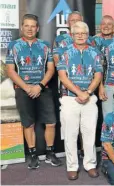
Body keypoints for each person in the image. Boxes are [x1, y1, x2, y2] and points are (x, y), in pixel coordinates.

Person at [6, 14, 61, 169]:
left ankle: (50, 153)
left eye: (33, 26)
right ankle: (33, 155)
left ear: (37, 28)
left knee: (51, 122)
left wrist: (40, 86)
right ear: (22, 27)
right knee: (28, 124)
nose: (30, 29)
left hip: (42, 88)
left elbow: (51, 68)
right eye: (27, 26)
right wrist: (27, 87)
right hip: (23, 89)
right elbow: (10, 71)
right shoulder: (13, 45)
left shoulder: (44, 45)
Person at [57, 21, 103, 180]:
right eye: (77, 34)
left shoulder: (95, 53)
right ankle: (72, 166)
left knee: (90, 133)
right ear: (72, 35)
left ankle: (90, 164)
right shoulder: (65, 52)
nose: (81, 36)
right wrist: (78, 92)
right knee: (71, 134)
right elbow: (62, 76)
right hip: (70, 98)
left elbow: (98, 75)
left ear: (87, 35)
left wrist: (88, 92)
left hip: (90, 99)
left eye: (84, 33)